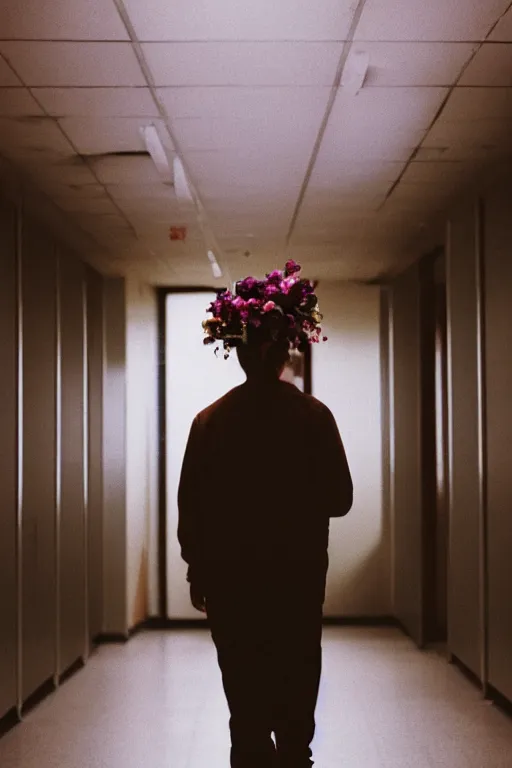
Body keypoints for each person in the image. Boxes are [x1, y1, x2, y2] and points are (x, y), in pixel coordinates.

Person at [177, 261, 353, 768]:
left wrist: (198, 571)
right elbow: (340, 499)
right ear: (283, 350)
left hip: (232, 587)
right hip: (296, 583)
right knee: (295, 714)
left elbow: (193, 508)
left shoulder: (208, 423)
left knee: (246, 714)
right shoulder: (314, 418)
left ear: (235, 352)